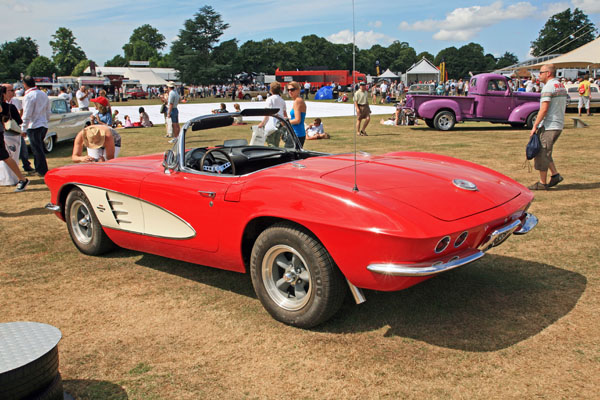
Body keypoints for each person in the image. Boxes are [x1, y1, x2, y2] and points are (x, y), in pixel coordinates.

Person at [528, 64, 567, 190]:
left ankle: (542, 183)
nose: (539, 75)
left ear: (548, 73)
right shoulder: (560, 85)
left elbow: (544, 109)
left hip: (549, 125)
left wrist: (535, 126)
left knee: (542, 152)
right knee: (546, 151)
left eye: (541, 72)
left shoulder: (548, 87)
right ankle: (555, 175)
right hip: (558, 123)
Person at [0, 86, 29, 190]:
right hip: (7, 134)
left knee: (6, 157)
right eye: (10, 90)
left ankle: (22, 179)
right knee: (6, 157)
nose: (12, 92)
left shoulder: (6, 106)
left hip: (7, 134)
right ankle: (21, 179)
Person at [22, 75, 50, 177]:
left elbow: (27, 113)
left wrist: (23, 128)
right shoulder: (43, 94)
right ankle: (40, 168)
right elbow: (48, 110)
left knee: (37, 149)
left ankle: (41, 170)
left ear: (25, 84)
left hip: (34, 125)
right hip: (43, 124)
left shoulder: (29, 96)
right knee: (38, 148)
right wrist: (46, 120)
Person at [2, 83, 34, 174]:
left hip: (14, 130)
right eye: (11, 90)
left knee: (21, 150)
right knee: (9, 154)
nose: (13, 92)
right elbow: (19, 119)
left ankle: (26, 165)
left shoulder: (15, 101)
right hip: (7, 132)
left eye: (13, 90)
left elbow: (21, 111)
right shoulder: (8, 106)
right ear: (4, 93)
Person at [258, 81, 287, 147]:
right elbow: (285, 114)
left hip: (271, 124)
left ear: (271, 90)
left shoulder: (269, 99)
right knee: (276, 144)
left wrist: (262, 123)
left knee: (271, 144)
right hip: (279, 125)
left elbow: (267, 113)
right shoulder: (282, 100)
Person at [287, 81, 307, 147]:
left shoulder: (298, 101)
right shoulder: (297, 101)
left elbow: (297, 120)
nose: (290, 91)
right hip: (296, 133)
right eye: (288, 90)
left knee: (289, 156)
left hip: (297, 134)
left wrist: (285, 122)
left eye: (292, 89)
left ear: (298, 90)